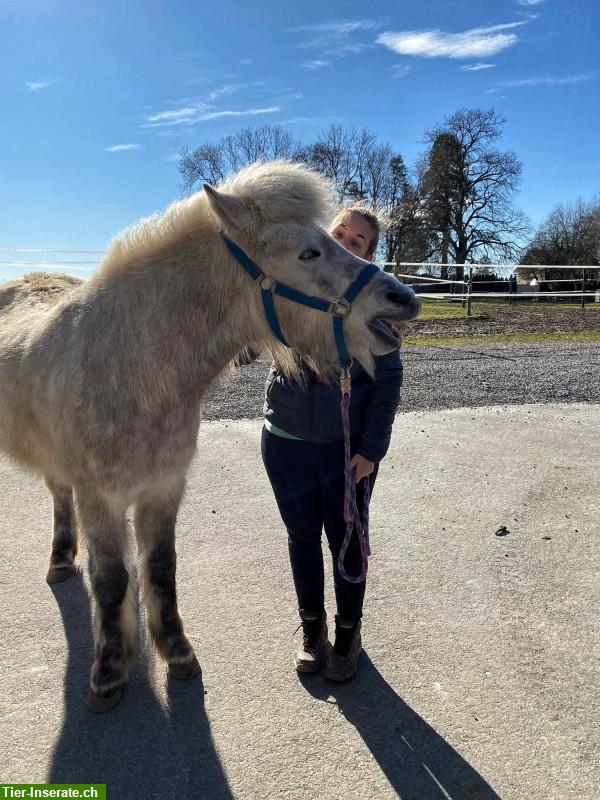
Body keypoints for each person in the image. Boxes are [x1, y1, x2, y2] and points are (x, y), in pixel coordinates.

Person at [260, 206, 404, 682]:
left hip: (347, 452)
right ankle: (311, 633)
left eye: (358, 241)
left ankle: (347, 635)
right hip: (285, 441)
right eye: (339, 233)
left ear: (368, 254)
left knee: (347, 541)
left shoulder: (372, 302)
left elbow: (387, 382)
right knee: (301, 538)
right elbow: (246, 346)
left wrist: (372, 449)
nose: (345, 242)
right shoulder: (297, 282)